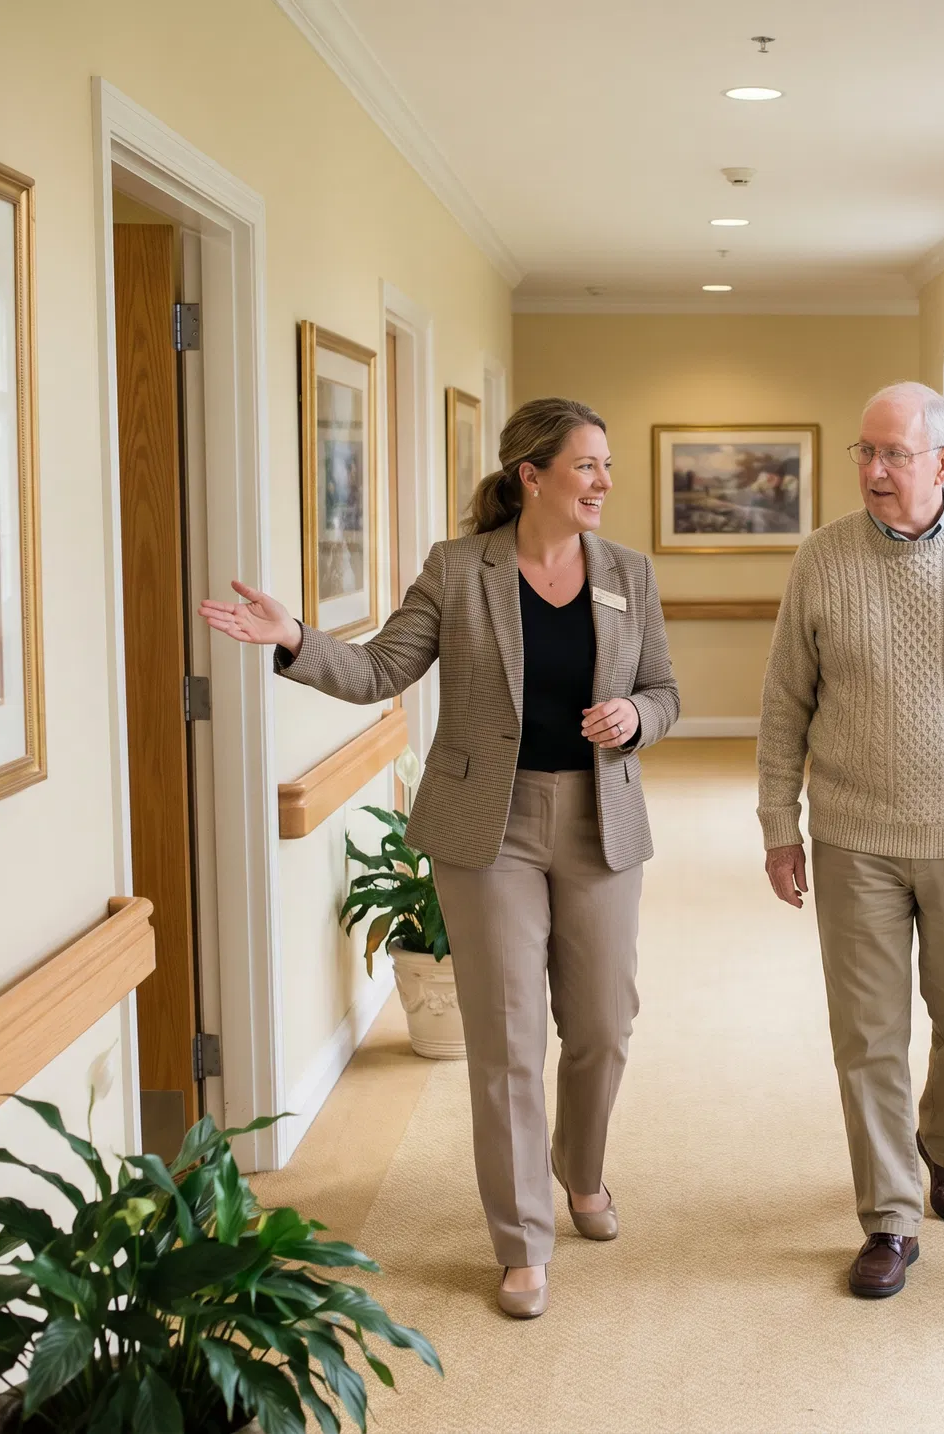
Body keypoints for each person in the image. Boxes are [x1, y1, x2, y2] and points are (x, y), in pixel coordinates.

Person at [199, 396, 678, 1321]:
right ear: (531, 475)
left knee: (605, 1023)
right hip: (485, 829)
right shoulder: (461, 571)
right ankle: (523, 1240)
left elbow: (664, 690)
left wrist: (637, 718)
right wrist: (295, 638)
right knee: (506, 1039)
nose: (604, 483)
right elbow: (380, 670)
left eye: (607, 466)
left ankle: (581, 1171)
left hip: (599, 818)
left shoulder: (627, 573)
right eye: (587, 466)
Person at [757, 381, 944, 1299]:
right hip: (854, 836)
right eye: (865, 452)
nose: (874, 471)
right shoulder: (822, 559)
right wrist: (780, 826)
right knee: (868, 1035)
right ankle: (889, 1215)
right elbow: (782, 706)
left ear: (943, 463)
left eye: (893, 454)